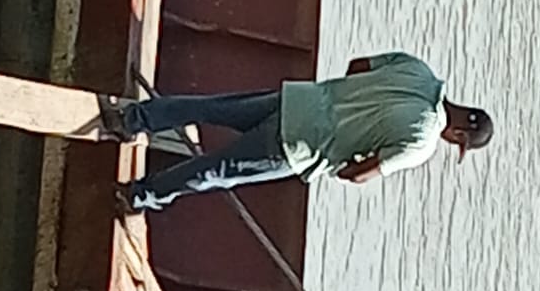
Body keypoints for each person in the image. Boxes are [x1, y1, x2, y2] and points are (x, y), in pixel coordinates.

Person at [99, 52, 493, 213]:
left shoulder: (418, 70)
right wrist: (342, 163)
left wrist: (343, 98)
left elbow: (358, 65)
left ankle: (130, 119)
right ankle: (137, 196)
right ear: (459, 135)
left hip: (299, 100)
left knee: (210, 107)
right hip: (299, 147)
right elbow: (360, 174)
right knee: (213, 171)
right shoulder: (422, 142)